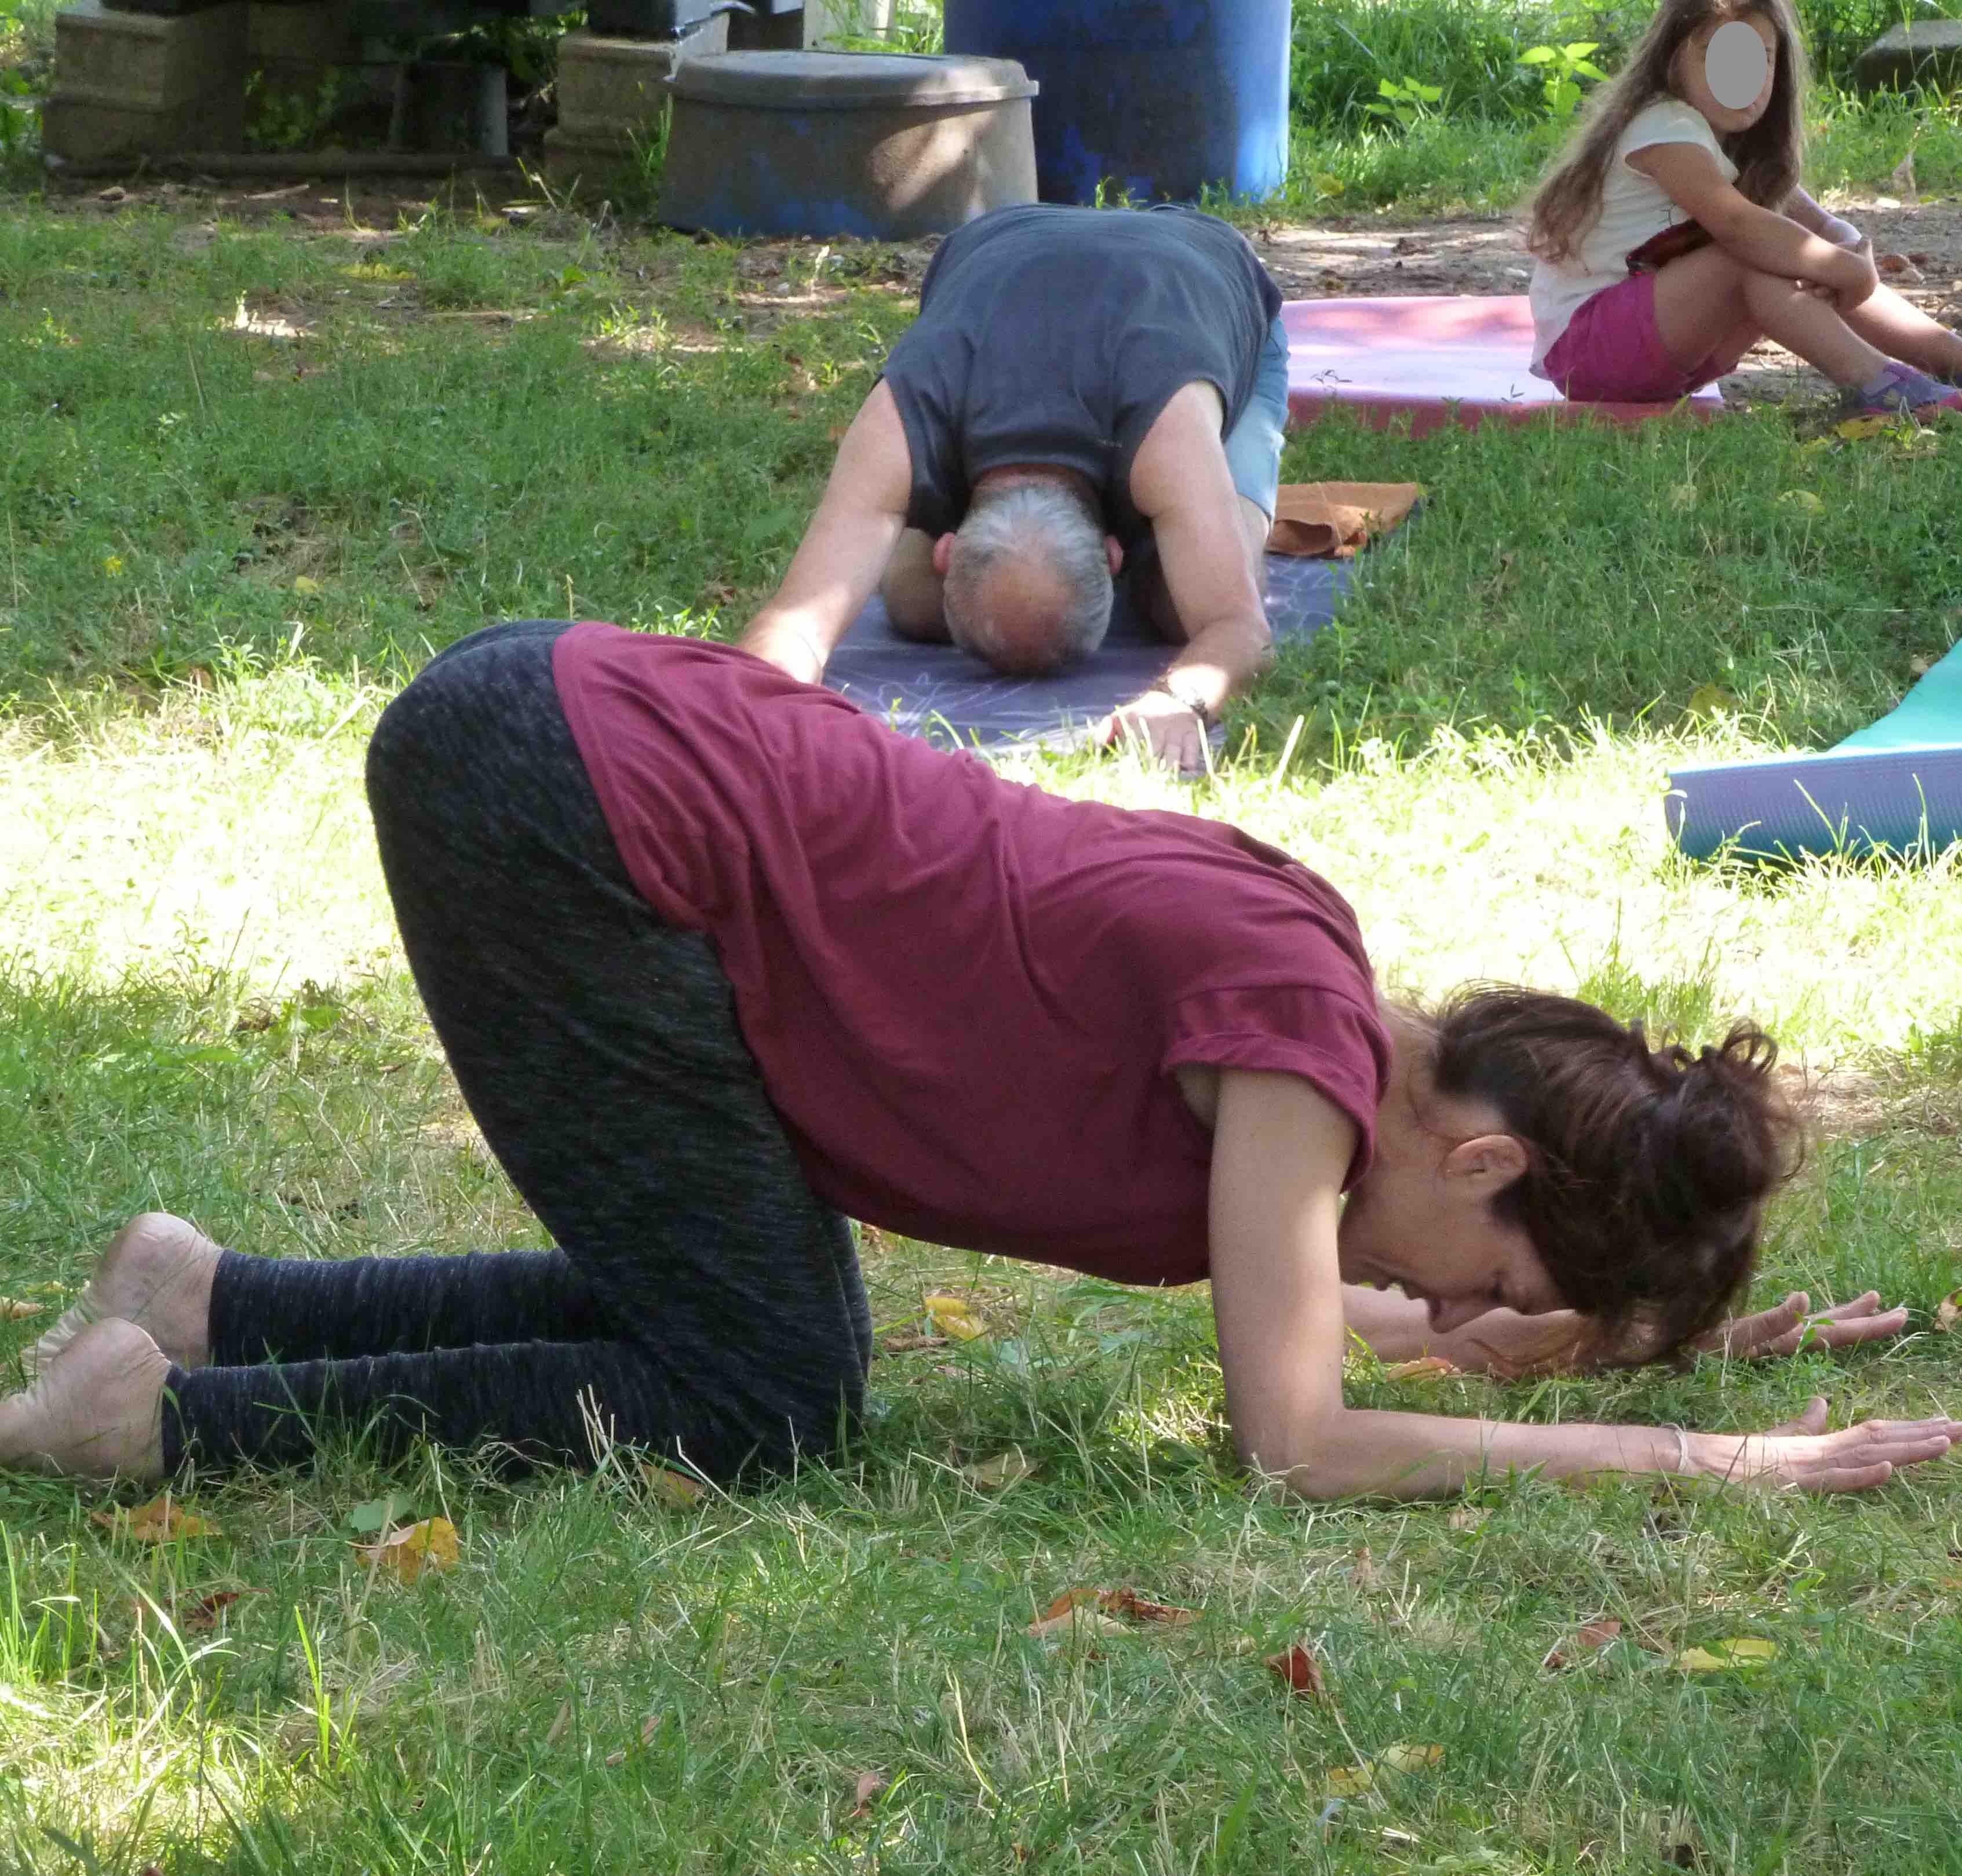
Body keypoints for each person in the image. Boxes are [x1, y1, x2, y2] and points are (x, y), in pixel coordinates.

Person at [2, 622, 1946, 1497]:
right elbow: (1293, 1440)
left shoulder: (1324, 1018)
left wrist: (1621, 1342)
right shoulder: (1296, 1053)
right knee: (764, 1396)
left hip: (579, 740)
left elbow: (1316, 1303)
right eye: (1490, 1278)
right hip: (579, 807)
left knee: (736, 1318)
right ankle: (151, 1423)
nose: (1446, 1307)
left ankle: (208, 1301)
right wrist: (1701, 1461)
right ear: (1488, 1159)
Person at [735, 202, 1291, 773]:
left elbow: (1240, 627)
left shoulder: (1167, 431)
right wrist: (754, 707)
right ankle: (1149, 543)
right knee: (911, 602)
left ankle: (1157, 544)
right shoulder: (899, 422)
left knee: (1179, 610)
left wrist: (1178, 701)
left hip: (1203, 266)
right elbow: (797, 622)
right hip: (1010, 242)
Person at [1526, 0, 1962, 417]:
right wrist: (1845, 268)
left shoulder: (1734, 147)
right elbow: (1738, 226)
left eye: (1761, 58)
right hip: (1586, 350)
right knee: (1752, 255)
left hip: (1666, 351)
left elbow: (1822, 230)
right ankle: (1881, 386)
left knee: (1790, 252)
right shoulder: (1663, 127)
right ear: (1673, 59)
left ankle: (1951, 357)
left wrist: (1851, 254)